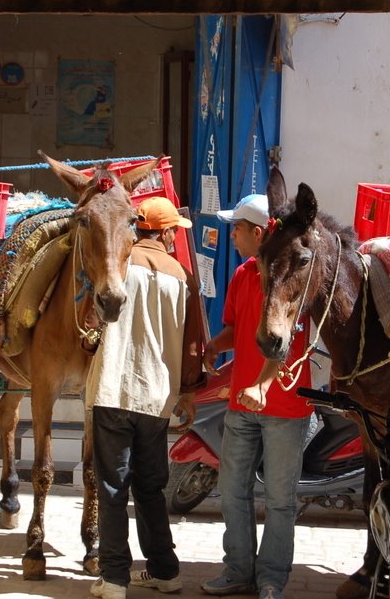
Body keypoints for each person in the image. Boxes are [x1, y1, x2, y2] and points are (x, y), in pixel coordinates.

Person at [87, 196, 206, 599]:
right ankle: (165, 571)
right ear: (167, 233)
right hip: (157, 398)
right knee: (150, 487)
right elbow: (194, 346)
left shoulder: (117, 262)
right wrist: (187, 393)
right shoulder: (183, 276)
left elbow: (90, 320)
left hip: (113, 390)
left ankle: (115, 579)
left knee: (113, 487)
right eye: (175, 232)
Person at [200, 194, 314, 599]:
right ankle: (238, 571)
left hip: (284, 406)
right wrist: (216, 344)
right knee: (232, 492)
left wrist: (262, 386)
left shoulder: (291, 277)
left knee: (281, 500)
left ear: (258, 232)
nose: (232, 236)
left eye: (237, 229)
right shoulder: (241, 275)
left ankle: (271, 578)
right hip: (239, 405)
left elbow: (290, 341)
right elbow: (238, 328)